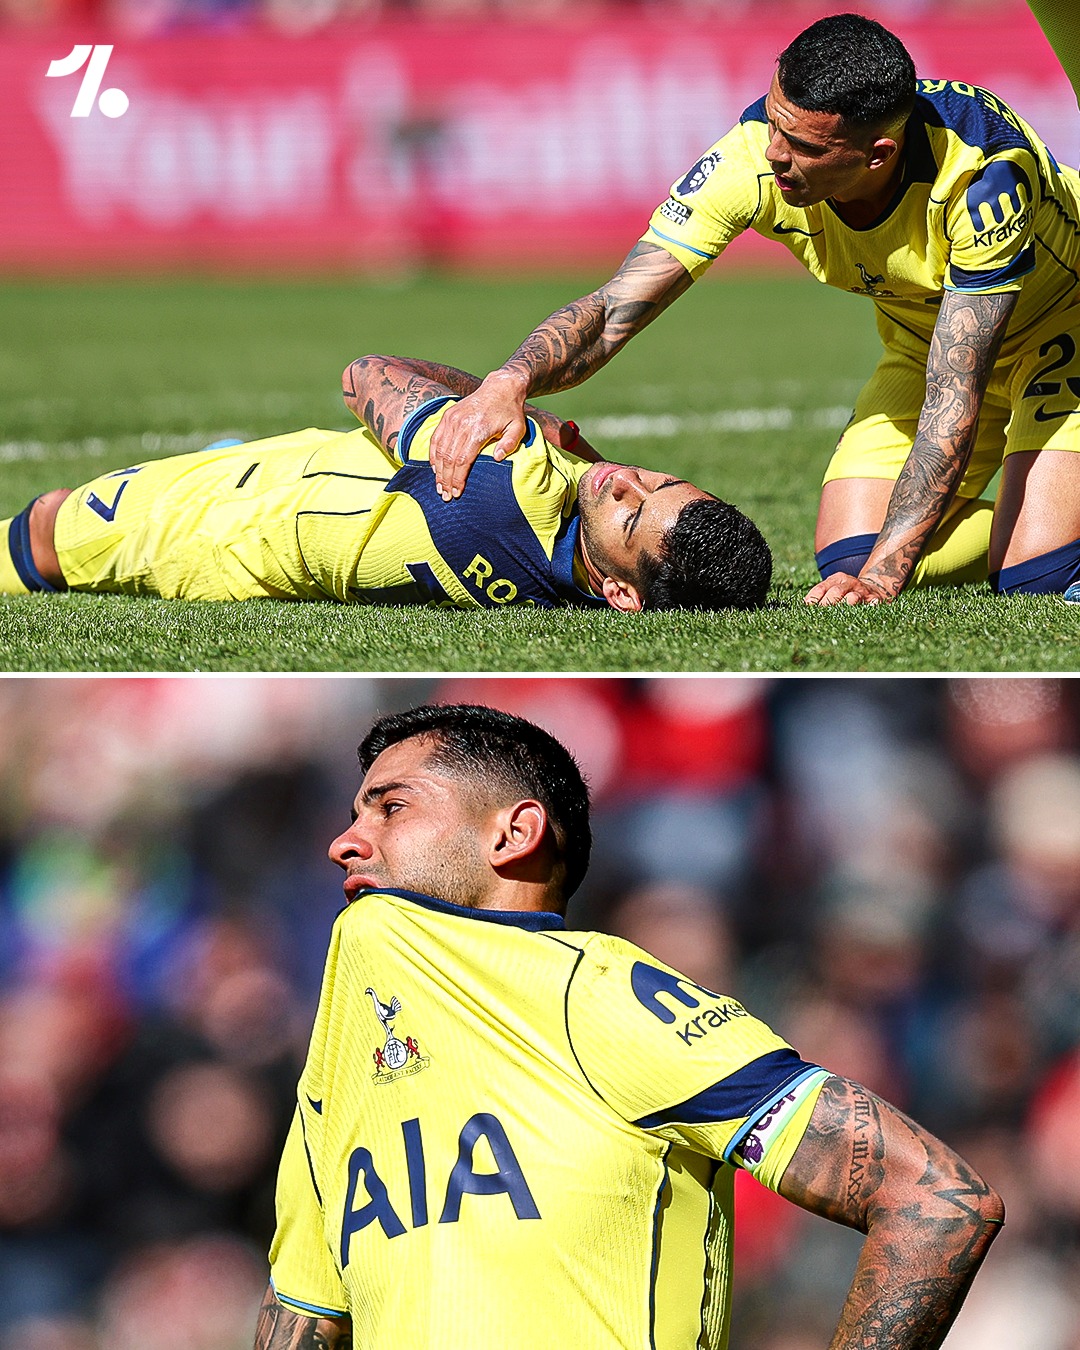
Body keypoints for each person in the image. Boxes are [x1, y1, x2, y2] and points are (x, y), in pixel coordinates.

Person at [255, 702, 1003, 1350]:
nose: (344, 842)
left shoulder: (594, 993)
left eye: (391, 807)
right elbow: (304, 1316)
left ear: (512, 834)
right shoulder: (337, 1066)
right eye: (355, 813)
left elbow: (934, 1200)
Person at [428, 13, 1080, 607]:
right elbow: (615, 307)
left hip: (1057, 328)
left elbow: (954, 392)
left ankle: (1038, 539)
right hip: (922, 341)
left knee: (1031, 578)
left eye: (800, 145)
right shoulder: (750, 160)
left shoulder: (985, 178)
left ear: (875, 155)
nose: (773, 152)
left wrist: (886, 576)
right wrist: (512, 379)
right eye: (774, 122)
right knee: (848, 556)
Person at [0, 356, 770, 614]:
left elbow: (364, 375)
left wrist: (501, 396)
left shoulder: (510, 474)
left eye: (631, 513)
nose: (623, 481)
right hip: (284, 515)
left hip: (233, 519)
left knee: (48, 525)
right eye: (656, 479)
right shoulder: (567, 575)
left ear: (622, 594)